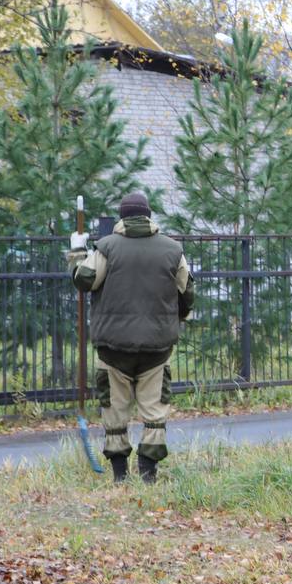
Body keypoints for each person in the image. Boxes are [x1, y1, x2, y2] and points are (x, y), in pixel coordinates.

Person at [68, 193, 194, 483]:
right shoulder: (173, 250)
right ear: (148, 215)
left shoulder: (106, 248)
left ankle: (120, 475)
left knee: (115, 410)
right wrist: (177, 318)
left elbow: (84, 281)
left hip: (113, 348)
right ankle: (149, 475)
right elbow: (186, 292)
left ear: (122, 217)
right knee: (154, 411)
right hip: (157, 348)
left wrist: (77, 252)